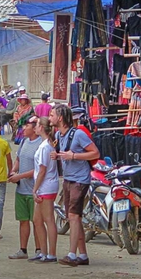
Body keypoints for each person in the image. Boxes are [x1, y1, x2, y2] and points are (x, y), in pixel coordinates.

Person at [49, 104, 100, 267]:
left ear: (61, 118)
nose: (50, 117)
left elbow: (95, 153)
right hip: (69, 178)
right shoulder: (59, 134)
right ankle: (83, 255)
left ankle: (72, 254)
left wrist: (74, 155)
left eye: (52, 115)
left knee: (73, 216)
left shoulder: (78, 134)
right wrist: (58, 156)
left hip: (80, 179)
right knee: (73, 217)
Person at [7, 117, 42, 259]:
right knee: (23, 220)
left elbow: (39, 169)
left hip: (35, 190)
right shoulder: (23, 142)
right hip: (21, 189)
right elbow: (18, 159)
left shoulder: (42, 145)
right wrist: (13, 171)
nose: (23, 129)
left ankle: (39, 249)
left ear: (34, 129)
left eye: (26, 126)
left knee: (37, 222)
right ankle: (23, 249)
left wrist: (19, 176)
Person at [29, 116, 60, 263]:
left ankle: (51, 253)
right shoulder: (47, 145)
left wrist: (34, 189)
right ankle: (43, 251)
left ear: (41, 127)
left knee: (48, 219)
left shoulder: (45, 147)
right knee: (38, 219)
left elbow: (42, 170)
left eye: (36, 125)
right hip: (45, 185)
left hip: (45, 185)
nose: (34, 127)